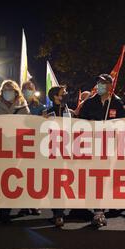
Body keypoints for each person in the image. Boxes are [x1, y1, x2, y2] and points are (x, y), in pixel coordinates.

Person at [79, 74, 125, 228]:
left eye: (103, 83)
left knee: (106, 179)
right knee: (94, 179)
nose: (100, 85)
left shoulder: (117, 103)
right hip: (92, 147)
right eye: (98, 82)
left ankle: (101, 210)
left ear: (110, 86)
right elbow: (79, 121)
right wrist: (89, 124)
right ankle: (97, 209)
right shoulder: (89, 103)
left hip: (110, 148)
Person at [0, 80, 31, 223]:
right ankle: (3, 208)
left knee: (13, 177)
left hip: (17, 148)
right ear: (2, 91)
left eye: (10, 89)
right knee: (2, 178)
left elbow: (29, 126)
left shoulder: (23, 107)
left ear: (16, 92)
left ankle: (7, 208)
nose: (8, 92)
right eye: (5, 89)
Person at [45, 85, 75, 227]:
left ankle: (60, 213)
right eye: (63, 93)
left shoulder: (70, 112)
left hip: (68, 154)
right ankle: (57, 214)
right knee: (55, 184)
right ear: (56, 96)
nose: (66, 94)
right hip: (53, 154)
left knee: (64, 184)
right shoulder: (47, 113)